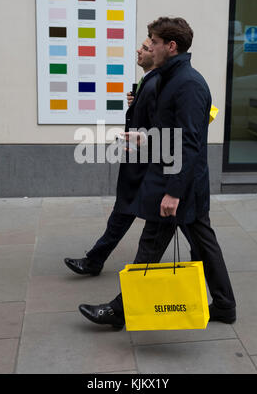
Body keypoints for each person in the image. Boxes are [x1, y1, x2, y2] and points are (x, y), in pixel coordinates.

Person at [79, 17, 236, 329]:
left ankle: (118, 311)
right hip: (178, 181)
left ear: (171, 46)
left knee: (150, 246)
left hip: (177, 184)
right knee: (203, 244)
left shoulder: (188, 84)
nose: (148, 45)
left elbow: (190, 143)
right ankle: (224, 305)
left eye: (153, 40)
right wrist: (146, 138)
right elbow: (172, 133)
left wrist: (174, 192)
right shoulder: (169, 79)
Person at [65, 38, 199, 278]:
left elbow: (163, 128)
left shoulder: (158, 83)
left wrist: (141, 146)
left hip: (148, 167)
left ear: (162, 51)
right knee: (124, 213)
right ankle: (96, 259)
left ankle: (201, 265)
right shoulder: (149, 81)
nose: (140, 50)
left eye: (147, 48)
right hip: (142, 164)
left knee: (183, 224)